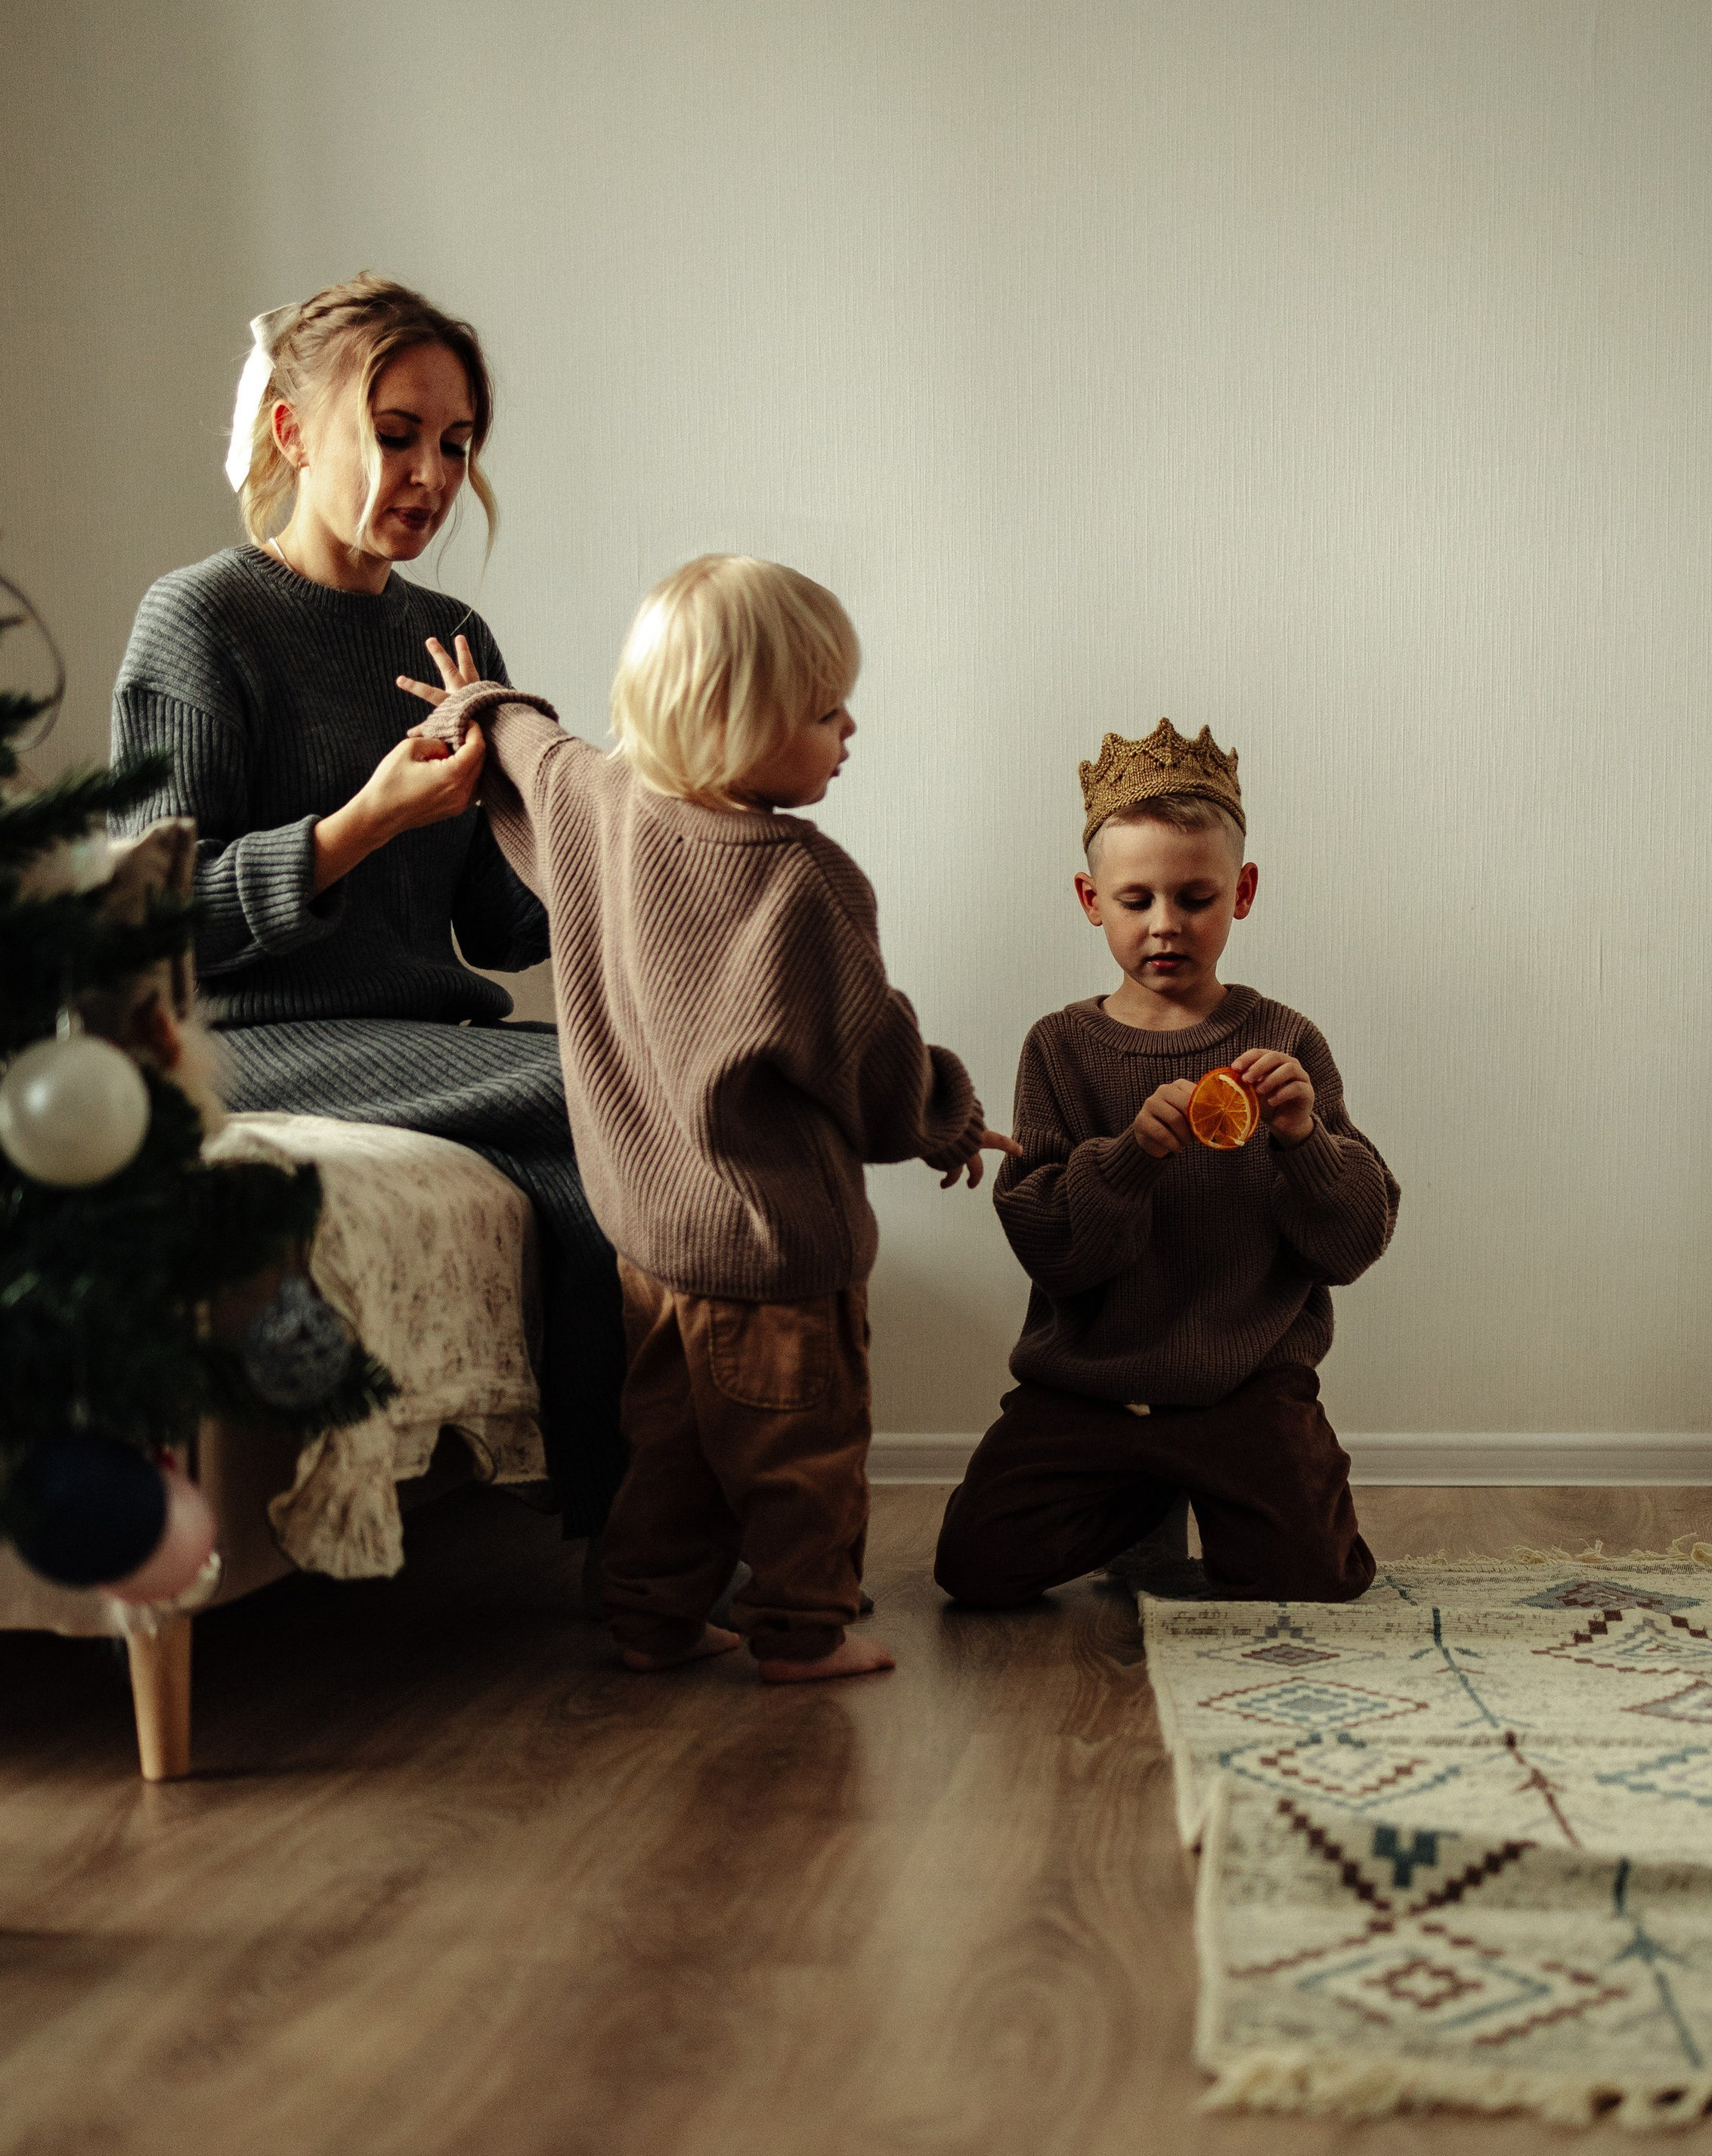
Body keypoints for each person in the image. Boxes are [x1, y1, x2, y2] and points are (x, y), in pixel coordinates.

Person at [409, 557, 1011, 1681]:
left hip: (649, 1248)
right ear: (744, 725)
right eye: (827, 710)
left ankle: (653, 1619)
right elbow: (870, 1062)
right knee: (801, 1459)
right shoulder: (806, 883)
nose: (850, 728)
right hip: (777, 1254)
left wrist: (473, 703)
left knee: (669, 1455)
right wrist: (947, 1115)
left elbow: (531, 756)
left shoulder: (606, 812)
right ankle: (801, 1631)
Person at [109, 274, 625, 1535]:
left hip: (409, 1048)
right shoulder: (203, 620)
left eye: (457, 444)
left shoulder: (456, 633)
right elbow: (147, 924)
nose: (434, 474)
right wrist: (365, 823)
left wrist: (583, 806)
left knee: (603, 1141)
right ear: (294, 430)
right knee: (603, 1086)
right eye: (397, 434)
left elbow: (506, 937)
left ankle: (632, 1539)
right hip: (235, 1044)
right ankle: (652, 1542)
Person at [934, 718, 1398, 1606]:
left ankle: (1209, 1481)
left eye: (1195, 897)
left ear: (1242, 891)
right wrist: (1129, 1159)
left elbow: (1350, 1245)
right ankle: (1146, 1488)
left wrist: (1305, 1141)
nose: (1165, 927)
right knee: (976, 1569)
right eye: (1136, 899)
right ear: (1090, 899)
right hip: (1091, 1392)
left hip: (1244, 1386)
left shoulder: (1284, 1042)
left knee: (1318, 1578)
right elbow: (1053, 1250)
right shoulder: (1061, 1049)